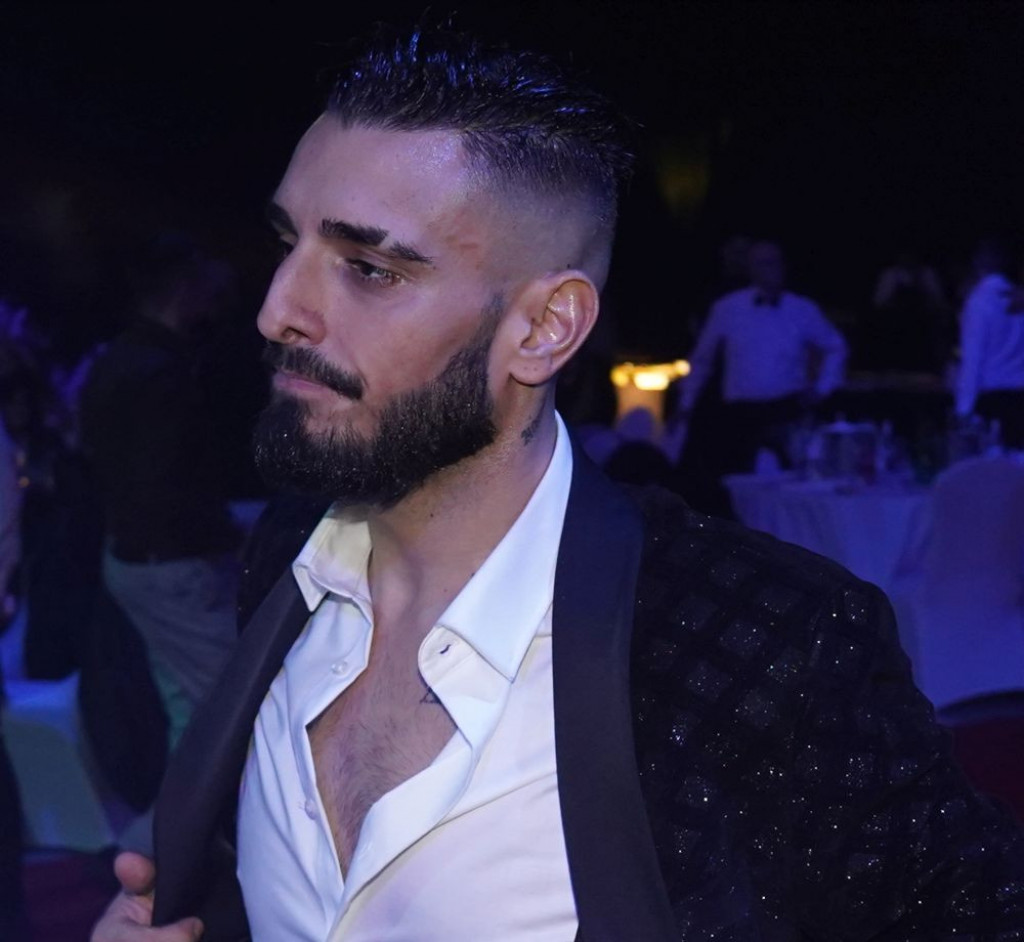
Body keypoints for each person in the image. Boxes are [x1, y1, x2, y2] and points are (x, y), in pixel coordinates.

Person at [93, 28, 1024, 942]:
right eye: (286, 244)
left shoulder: (767, 650)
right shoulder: (287, 553)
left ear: (544, 329)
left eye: (369, 269)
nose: (277, 310)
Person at [79, 233, 242, 753]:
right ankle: (202, 809)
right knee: (232, 711)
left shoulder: (121, 358)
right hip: (169, 563)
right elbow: (164, 485)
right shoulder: (159, 372)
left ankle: (176, 808)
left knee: (190, 710)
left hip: (136, 557)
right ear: (184, 286)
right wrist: (221, 540)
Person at [680, 240, 848, 476]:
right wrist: (686, 402)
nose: (772, 268)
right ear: (751, 268)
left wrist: (823, 387)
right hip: (740, 412)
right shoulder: (727, 308)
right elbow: (702, 359)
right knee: (738, 478)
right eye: (764, 262)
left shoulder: (802, 309)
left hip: (787, 409)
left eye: (776, 262)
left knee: (791, 477)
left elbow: (836, 346)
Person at [955, 241, 1024, 449]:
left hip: (993, 401)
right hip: (1020, 395)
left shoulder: (979, 302)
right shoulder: (1018, 298)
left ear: (977, 264)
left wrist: (963, 410)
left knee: (993, 464)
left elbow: (973, 360)